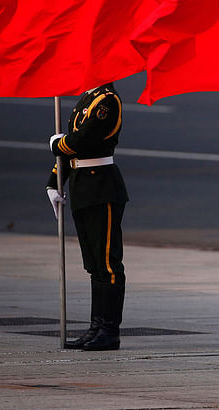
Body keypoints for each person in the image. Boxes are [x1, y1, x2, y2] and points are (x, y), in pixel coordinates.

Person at [46, 83, 129, 351]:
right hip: (82, 186)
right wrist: (53, 180)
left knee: (107, 262)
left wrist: (57, 144)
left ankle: (109, 330)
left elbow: (82, 140)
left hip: (101, 186)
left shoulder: (107, 101)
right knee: (93, 264)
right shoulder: (88, 98)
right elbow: (72, 147)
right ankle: (96, 326)